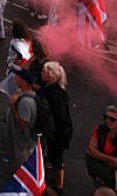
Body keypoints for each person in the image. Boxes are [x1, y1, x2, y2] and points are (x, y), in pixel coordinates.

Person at [38, 61, 73, 194]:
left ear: (51, 75)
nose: (41, 74)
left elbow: (61, 119)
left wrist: (59, 139)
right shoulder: (50, 89)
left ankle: (59, 186)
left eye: (44, 72)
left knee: (57, 160)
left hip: (58, 133)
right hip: (54, 132)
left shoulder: (54, 94)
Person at [5, 68, 39, 168]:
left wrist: (12, 105)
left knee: (24, 170)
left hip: (24, 145)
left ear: (24, 82)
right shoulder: (23, 96)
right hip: (22, 142)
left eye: (18, 77)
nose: (15, 78)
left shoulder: (26, 102)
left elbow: (22, 124)